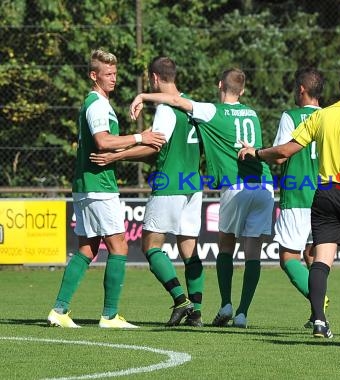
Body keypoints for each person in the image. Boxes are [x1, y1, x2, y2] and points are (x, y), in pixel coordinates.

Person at [239, 63, 340, 338]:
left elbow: (285, 150)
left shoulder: (321, 117)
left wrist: (256, 152)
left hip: (325, 193)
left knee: (320, 261)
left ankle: (319, 321)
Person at [130, 68, 274, 329]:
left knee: (225, 246)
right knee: (253, 253)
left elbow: (174, 101)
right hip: (264, 184)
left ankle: (224, 304)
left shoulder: (212, 111)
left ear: (220, 84)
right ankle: (240, 313)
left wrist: (142, 95)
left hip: (233, 184)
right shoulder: (252, 113)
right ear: (242, 90)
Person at [47, 49, 165, 328]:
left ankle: (59, 311)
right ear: (93, 75)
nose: (113, 78)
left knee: (87, 249)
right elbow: (103, 141)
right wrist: (141, 136)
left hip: (86, 183)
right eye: (107, 74)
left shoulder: (96, 103)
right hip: (98, 185)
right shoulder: (97, 104)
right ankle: (110, 315)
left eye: (115, 73)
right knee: (119, 246)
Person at [90, 56, 205, 327]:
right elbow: (158, 143)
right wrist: (123, 150)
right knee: (190, 250)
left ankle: (181, 300)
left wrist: (115, 157)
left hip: (169, 184)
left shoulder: (165, 109)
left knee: (150, 246)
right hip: (193, 184)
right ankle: (197, 313)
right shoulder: (192, 106)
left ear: (154, 78)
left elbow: (154, 147)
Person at [272, 67, 329, 328]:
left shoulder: (291, 116)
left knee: (288, 257)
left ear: (302, 90)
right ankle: (317, 314)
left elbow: (282, 153)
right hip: (326, 196)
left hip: (297, 196)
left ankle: (318, 299)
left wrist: (257, 153)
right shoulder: (330, 118)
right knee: (313, 255)